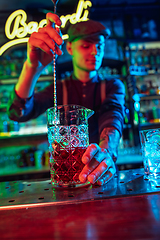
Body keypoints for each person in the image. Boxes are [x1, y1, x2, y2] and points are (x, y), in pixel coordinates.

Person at [7, 13, 125, 186]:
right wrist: (32, 68)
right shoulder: (59, 88)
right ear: (69, 48)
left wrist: (106, 152)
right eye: (86, 46)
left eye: (100, 46)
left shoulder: (112, 85)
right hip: (66, 181)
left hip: (102, 175)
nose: (95, 52)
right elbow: (18, 112)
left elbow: (113, 118)